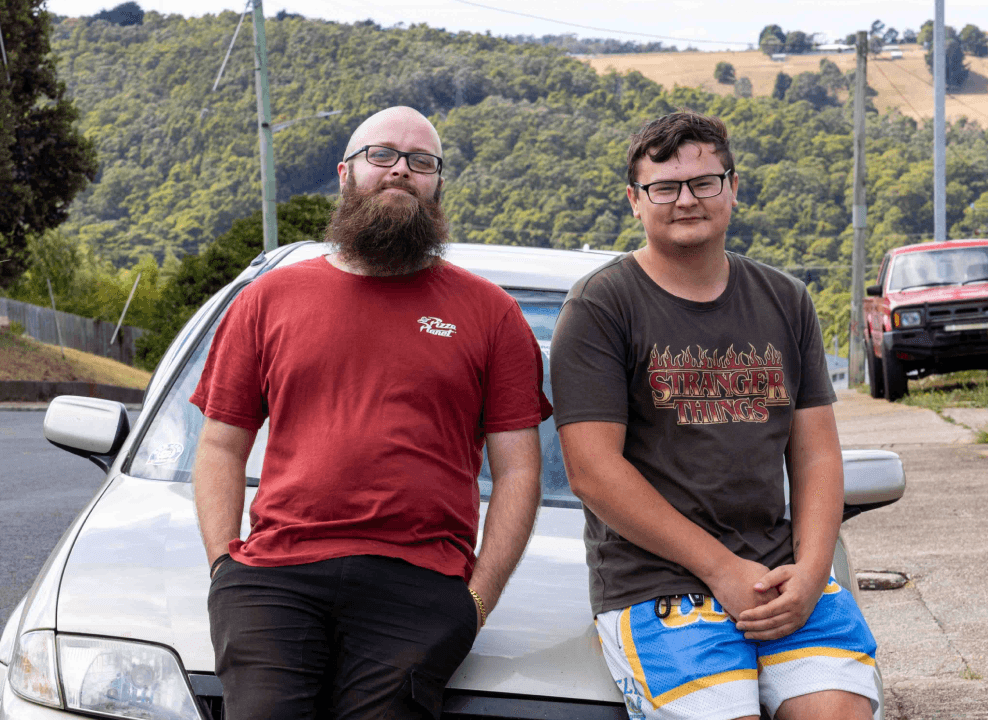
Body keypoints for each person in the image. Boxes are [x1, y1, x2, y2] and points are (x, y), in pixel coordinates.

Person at [190, 105, 550, 720]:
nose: (399, 172)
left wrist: (479, 598)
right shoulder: (267, 300)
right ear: (345, 173)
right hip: (274, 576)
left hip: (422, 581)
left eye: (421, 162)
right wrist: (225, 565)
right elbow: (222, 446)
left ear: (437, 182)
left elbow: (518, 471)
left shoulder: (492, 314)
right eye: (381, 156)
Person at [550, 110, 878, 720]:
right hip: (656, 585)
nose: (686, 201)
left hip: (781, 578)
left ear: (732, 187)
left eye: (704, 182)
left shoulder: (785, 300)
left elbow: (816, 455)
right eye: (664, 187)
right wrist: (722, 570)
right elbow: (592, 471)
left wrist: (810, 573)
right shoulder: (600, 306)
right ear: (634, 200)